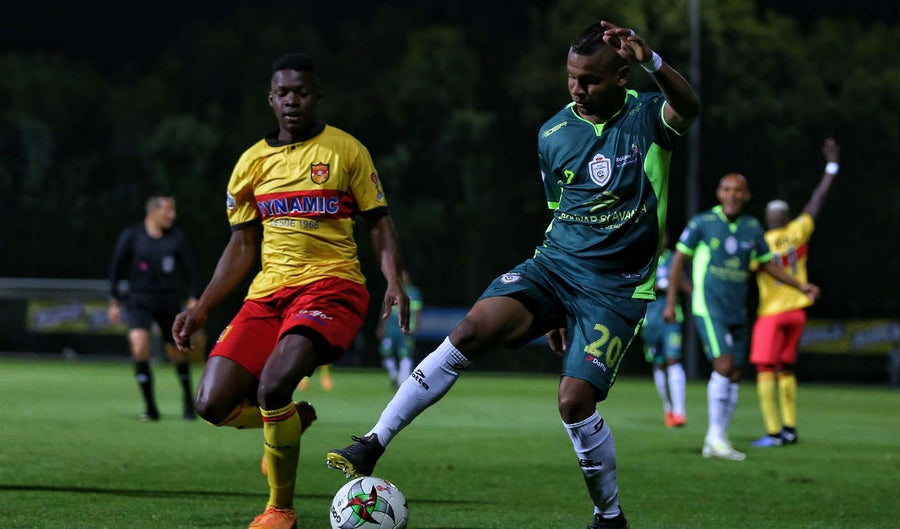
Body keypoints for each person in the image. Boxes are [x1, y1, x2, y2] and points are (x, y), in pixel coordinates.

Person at [327, 20, 700, 529]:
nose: (577, 88)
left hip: (615, 287)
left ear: (621, 76)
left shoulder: (648, 115)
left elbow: (690, 108)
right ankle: (373, 442)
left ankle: (608, 516)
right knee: (470, 330)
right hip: (555, 265)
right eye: (571, 77)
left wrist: (653, 61)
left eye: (590, 79)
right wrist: (554, 311)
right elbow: (559, 210)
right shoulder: (553, 133)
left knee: (574, 401)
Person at [170, 53, 409, 529]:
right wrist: (202, 308)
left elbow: (379, 223)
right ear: (271, 99)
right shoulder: (250, 164)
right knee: (211, 405)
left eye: (301, 92)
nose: (292, 100)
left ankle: (279, 509)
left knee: (273, 384)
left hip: (331, 288)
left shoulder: (346, 151)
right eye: (283, 93)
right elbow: (241, 246)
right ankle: (289, 420)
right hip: (268, 295)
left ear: (316, 97)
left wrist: (393, 279)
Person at [663, 173, 820, 461]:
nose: (732, 195)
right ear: (718, 193)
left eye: (737, 190)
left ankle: (719, 438)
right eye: (726, 189)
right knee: (723, 365)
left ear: (746, 195)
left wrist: (800, 286)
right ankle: (714, 436)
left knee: (735, 372)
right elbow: (678, 261)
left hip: (737, 308)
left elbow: (767, 265)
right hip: (709, 306)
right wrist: (671, 303)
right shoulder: (703, 223)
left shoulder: (751, 228)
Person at [750, 138, 839, 447]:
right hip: (797, 311)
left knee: (765, 368)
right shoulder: (796, 232)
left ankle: (773, 432)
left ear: (768, 219)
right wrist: (832, 166)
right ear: (787, 218)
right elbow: (817, 201)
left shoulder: (759, 241)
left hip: (772, 313)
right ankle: (790, 428)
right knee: (786, 368)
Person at [108, 194, 201, 421]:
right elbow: (116, 267)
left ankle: (188, 401)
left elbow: (191, 270)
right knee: (139, 348)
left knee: (177, 352)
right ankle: (151, 408)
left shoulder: (176, 238)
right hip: (139, 300)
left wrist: (194, 298)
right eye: (168, 211)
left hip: (168, 300)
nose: (172, 215)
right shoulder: (132, 236)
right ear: (153, 212)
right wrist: (114, 300)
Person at [640, 233, 689, 427]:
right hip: (650, 320)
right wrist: (661, 284)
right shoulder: (644, 260)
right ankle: (668, 409)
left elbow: (682, 282)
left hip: (671, 318)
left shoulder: (673, 259)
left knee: (673, 359)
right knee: (659, 363)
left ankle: (680, 412)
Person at [378, 270, 423, 388]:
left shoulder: (413, 292)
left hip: (406, 327)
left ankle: (403, 381)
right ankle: (394, 374)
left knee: (406, 354)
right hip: (391, 328)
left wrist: (416, 325)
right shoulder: (391, 290)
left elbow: (417, 311)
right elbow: (384, 310)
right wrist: (381, 327)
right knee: (385, 352)